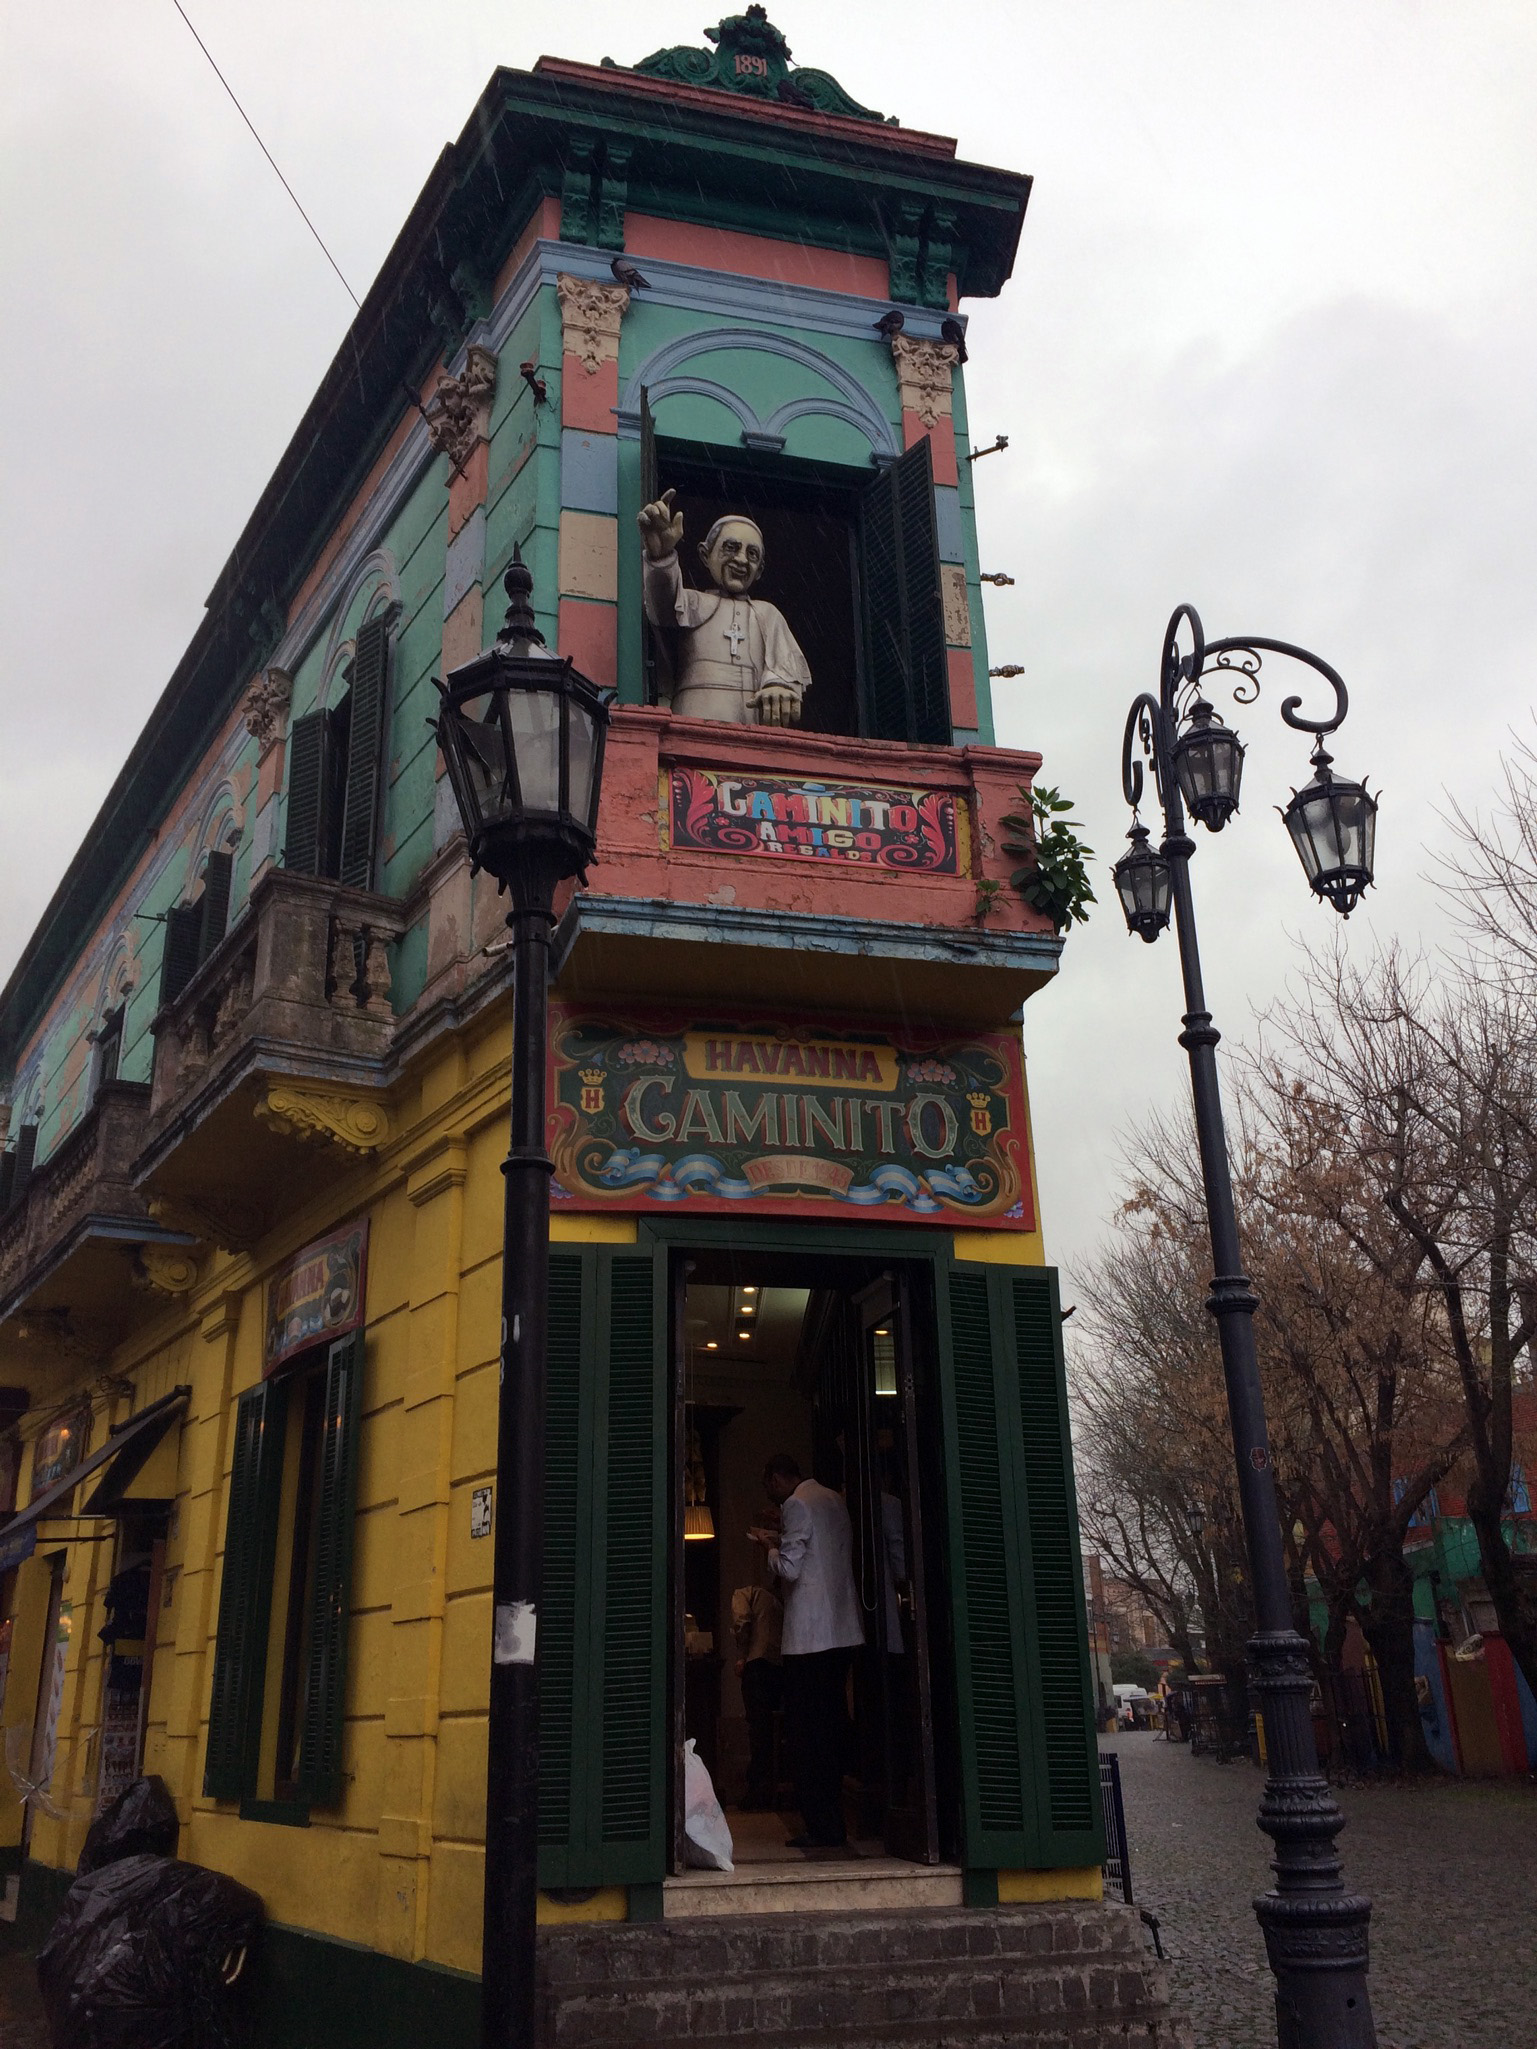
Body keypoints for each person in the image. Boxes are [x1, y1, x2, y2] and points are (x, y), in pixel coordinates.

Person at [750, 1452, 863, 1849]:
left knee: (807, 1735)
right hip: (843, 1630)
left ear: (778, 1479)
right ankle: (835, 1823)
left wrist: (768, 1546)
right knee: (830, 1728)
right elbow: (819, 1556)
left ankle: (821, 1826)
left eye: (770, 1487)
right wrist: (783, 1536)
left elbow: (791, 1569)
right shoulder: (833, 1498)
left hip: (810, 1637)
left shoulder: (796, 1503)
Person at [638, 491, 812, 726]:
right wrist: (661, 556)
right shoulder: (691, 602)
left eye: (752, 554)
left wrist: (778, 686)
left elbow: (784, 672)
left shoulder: (767, 614)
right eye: (731, 547)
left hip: (753, 730)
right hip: (693, 719)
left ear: (759, 570)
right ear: (705, 554)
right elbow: (661, 605)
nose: (741, 560)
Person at [730, 1580, 783, 1810]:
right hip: (780, 1664)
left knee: (758, 1728)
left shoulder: (744, 1593)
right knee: (775, 1731)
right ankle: (773, 1788)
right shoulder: (780, 1603)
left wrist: (742, 1653)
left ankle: (757, 1791)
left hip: (757, 1662)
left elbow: (742, 1620)